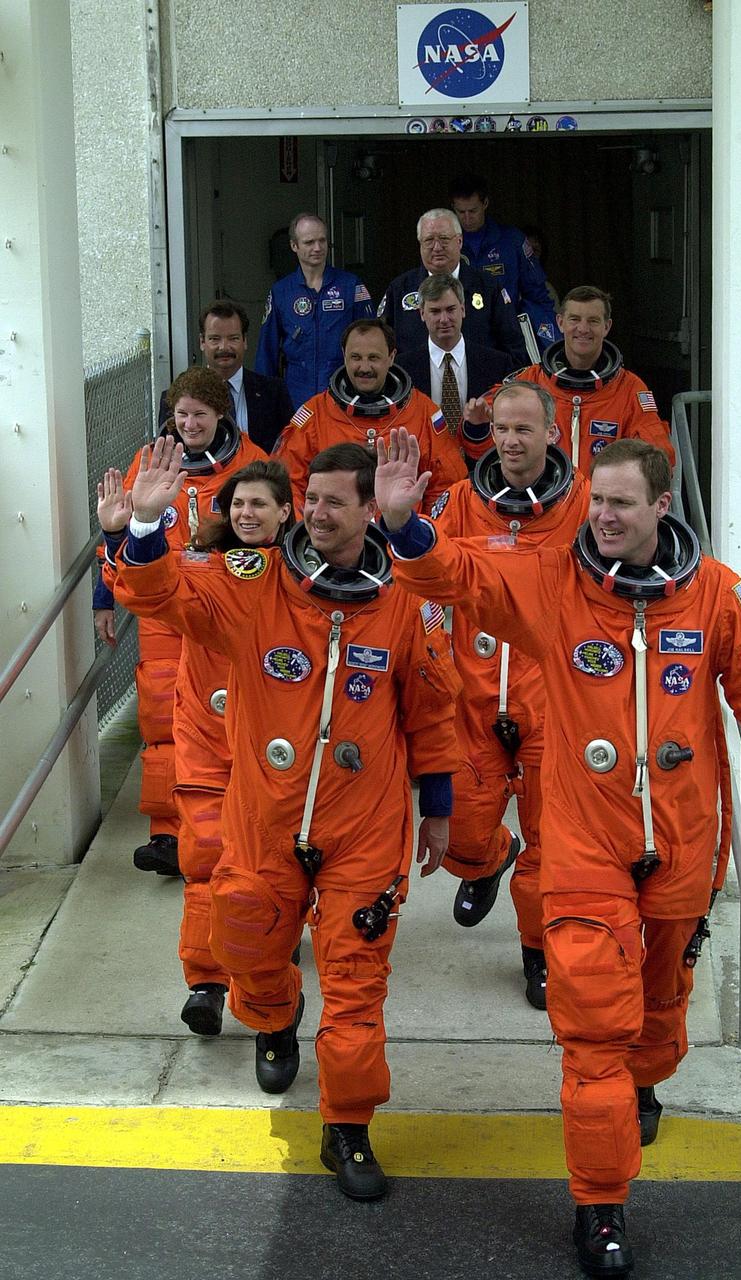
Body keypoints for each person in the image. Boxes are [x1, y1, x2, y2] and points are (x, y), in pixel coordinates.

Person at [375, 430, 741, 1277]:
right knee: (594, 1030)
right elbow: (461, 578)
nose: (604, 517)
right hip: (584, 845)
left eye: (620, 504)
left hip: (684, 844)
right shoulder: (553, 584)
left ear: (659, 505)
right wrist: (405, 526)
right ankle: (602, 1205)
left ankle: (646, 1079)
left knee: (659, 1005)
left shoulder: (719, 596)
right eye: (597, 502)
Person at [113, 439, 461, 1203]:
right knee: (240, 934)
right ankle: (273, 1017)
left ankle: (348, 1126)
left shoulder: (407, 597)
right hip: (264, 815)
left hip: (364, 827)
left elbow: (434, 711)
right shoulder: (255, 582)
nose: (317, 512)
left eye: (337, 501)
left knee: (357, 983)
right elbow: (163, 598)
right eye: (312, 498)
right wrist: (140, 528)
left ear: (372, 510)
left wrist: (438, 811)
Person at [98, 460, 293, 1035]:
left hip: (278, 747)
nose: (247, 514)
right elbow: (144, 587)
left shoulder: (311, 575)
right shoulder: (201, 566)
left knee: (271, 874)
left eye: (260, 504)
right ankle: (205, 983)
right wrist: (127, 531)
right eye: (238, 505)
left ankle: (269, 982)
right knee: (206, 854)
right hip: (208, 737)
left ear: (286, 512)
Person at [429, 382, 590, 1010]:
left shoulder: (582, 505)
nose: (512, 441)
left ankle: (538, 952)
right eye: (501, 429)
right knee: (461, 832)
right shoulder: (463, 505)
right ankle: (490, 858)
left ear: (552, 433)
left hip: (552, 698)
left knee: (552, 841)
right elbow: (421, 581)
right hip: (472, 698)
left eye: (525, 429)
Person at [93, 367, 268, 875]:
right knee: (161, 716)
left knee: (223, 716)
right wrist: (105, 597)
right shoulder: (151, 463)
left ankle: (227, 824)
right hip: (165, 604)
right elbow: (120, 531)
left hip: (223, 608)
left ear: (221, 415)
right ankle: (168, 833)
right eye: (181, 414)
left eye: (200, 414)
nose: (189, 423)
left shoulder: (251, 462)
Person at [464, 285, 675, 477]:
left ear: (607, 327)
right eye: (574, 319)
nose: (583, 329)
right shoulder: (528, 382)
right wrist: (479, 424)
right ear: (560, 322)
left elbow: (657, 457)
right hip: (543, 505)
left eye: (593, 321)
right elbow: (481, 448)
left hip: (602, 507)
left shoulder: (628, 388)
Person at [275, 318, 476, 515]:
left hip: (401, 537)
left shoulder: (424, 412)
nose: (364, 368)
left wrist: (421, 534)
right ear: (344, 355)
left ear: (391, 357)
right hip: (331, 535)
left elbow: (447, 487)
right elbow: (287, 483)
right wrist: (310, 528)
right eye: (356, 357)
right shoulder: (315, 413)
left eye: (373, 358)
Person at [377, 208, 529, 365]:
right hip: (414, 385)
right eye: (429, 240)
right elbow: (380, 347)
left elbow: (514, 350)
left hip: (482, 385)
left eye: (444, 239)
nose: (437, 247)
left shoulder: (489, 288)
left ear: (459, 241)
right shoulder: (399, 289)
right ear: (420, 244)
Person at [254, 213, 373, 408]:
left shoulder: (351, 285)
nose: (317, 248)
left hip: (343, 393)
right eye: (309, 242)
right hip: (296, 396)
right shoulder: (281, 292)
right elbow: (267, 352)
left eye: (322, 241)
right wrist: (264, 400)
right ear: (294, 246)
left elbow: (372, 340)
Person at [158, 301, 293, 454]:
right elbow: (167, 455)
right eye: (215, 339)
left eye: (233, 338)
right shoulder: (172, 400)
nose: (224, 347)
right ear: (202, 342)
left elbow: (289, 450)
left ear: (245, 341)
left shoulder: (274, 392)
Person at [449, 173, 560, 349]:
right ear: (453, 207)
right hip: (461, 337)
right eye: (461, 212)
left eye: (473, 211)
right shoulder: (444, 245)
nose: (467, 218)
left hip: (507, 337)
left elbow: (538, 295)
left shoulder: (512, 240)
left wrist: (553, 343)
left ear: (485, 204)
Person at [398, 274, 514, 440]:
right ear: (422, 314)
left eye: (450, 309)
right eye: (435, 311)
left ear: (463, 309)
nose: (444, 319)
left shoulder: (498, 364)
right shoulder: (402, 369)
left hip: (482, 459)